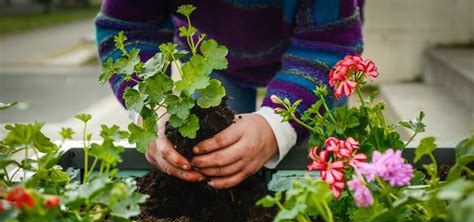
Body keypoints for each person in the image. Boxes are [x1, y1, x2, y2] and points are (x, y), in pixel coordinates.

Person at [96, 0, 364, 189]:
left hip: (315, 57)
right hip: (210, 53)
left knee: (327, 178)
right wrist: (152, 109)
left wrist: (275, 127)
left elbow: (329, 44)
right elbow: (127, 29)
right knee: (215, 163)